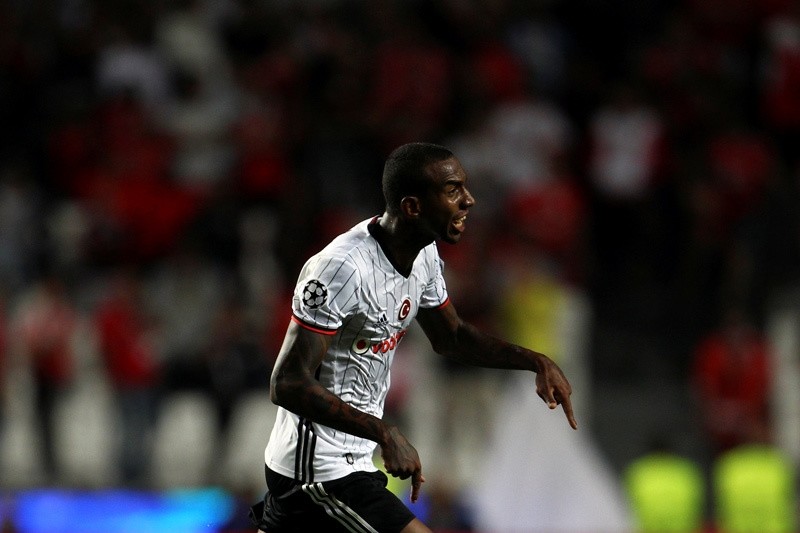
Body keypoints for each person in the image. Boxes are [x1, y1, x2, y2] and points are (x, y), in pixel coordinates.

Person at [250, 142, 578, 533]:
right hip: (314, 470)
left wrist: (535, 361)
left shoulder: (423, 254)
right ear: (412, 207)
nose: (468, 201)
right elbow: (287, 382)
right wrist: (383, 431)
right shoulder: (341, 269)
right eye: (453, 190)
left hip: (353, 460)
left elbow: (451, 336)